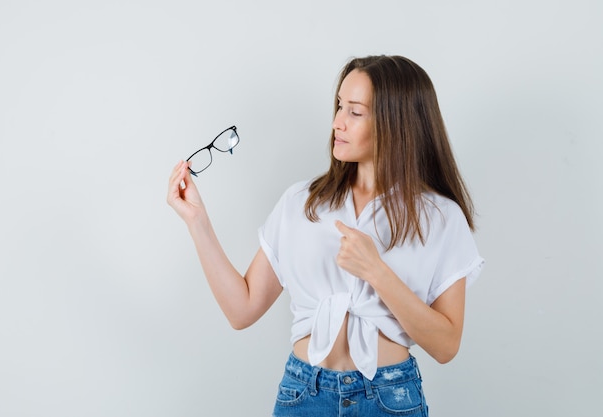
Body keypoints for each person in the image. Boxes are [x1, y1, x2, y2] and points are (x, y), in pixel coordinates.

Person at [167, 55, 484, 417]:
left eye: (355, 112)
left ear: (396, 123)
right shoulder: (302, 203)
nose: (337, 123)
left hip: (390, 399)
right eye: (338, 106)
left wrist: (376, 272)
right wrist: (198, 222)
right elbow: (242, 310)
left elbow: (446, 346)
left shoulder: (440, 217)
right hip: (304, 396)